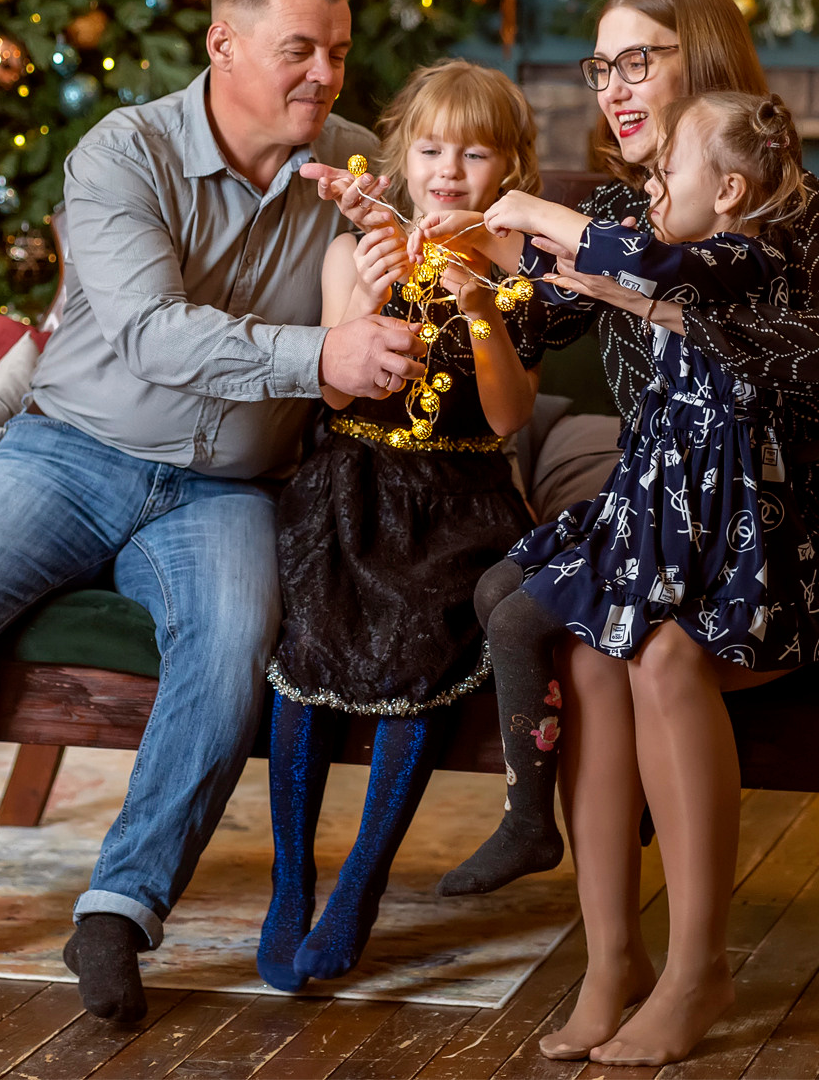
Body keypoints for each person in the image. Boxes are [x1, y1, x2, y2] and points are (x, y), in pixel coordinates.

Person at [0, 0, 427, 1027]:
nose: (323, 75)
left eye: (336, 51)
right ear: (223, 44)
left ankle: (120, 904)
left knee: (235, 638)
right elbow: (151, 333)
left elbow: (422, 276)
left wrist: (407, 278)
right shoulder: (125, 151)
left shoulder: (352, 168)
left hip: (226, 491)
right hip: (69, 454)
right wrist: (319, 357)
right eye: (298, 49)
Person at [440, 0, 819, 1066]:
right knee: (589, 648)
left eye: (640, 59)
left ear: (704, 69)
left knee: (663, 654)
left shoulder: (773, 205)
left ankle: (697, 969)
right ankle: (609, 957)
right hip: (675, 517)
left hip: (801, 519)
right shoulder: (633, 213)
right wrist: (460, 269)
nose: (615, 87)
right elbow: (529, 327)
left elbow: (807, 366)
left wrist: (589, 255)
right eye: (602, 65)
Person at [255, 61, 589, 992]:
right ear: (397, 161)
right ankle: (293, 881)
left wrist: (478, 308)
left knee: (422, 652)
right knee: (309, 648)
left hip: (460, 494)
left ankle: (362, 879)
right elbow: (332, 386)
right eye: (430, 149)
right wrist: (363, 302)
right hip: (350, 484)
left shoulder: (520, 272)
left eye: (474, 153)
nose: (448, 169)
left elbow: (509, 416)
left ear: (509, 168)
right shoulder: (352, 252)